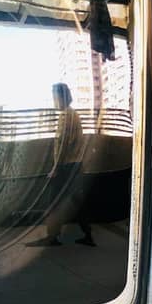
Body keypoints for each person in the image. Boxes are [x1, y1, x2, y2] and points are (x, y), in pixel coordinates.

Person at [27, 82, 93, 246]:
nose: (53, 100)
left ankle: (52, 236)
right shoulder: (73, 114)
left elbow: (63, 144)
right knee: (77, 202)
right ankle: (88, 234)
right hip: (75, 165)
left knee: (53, 202)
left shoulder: (65, 116)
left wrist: (56, 168)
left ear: (60, 97)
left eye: (54, 96)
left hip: (66, 166)